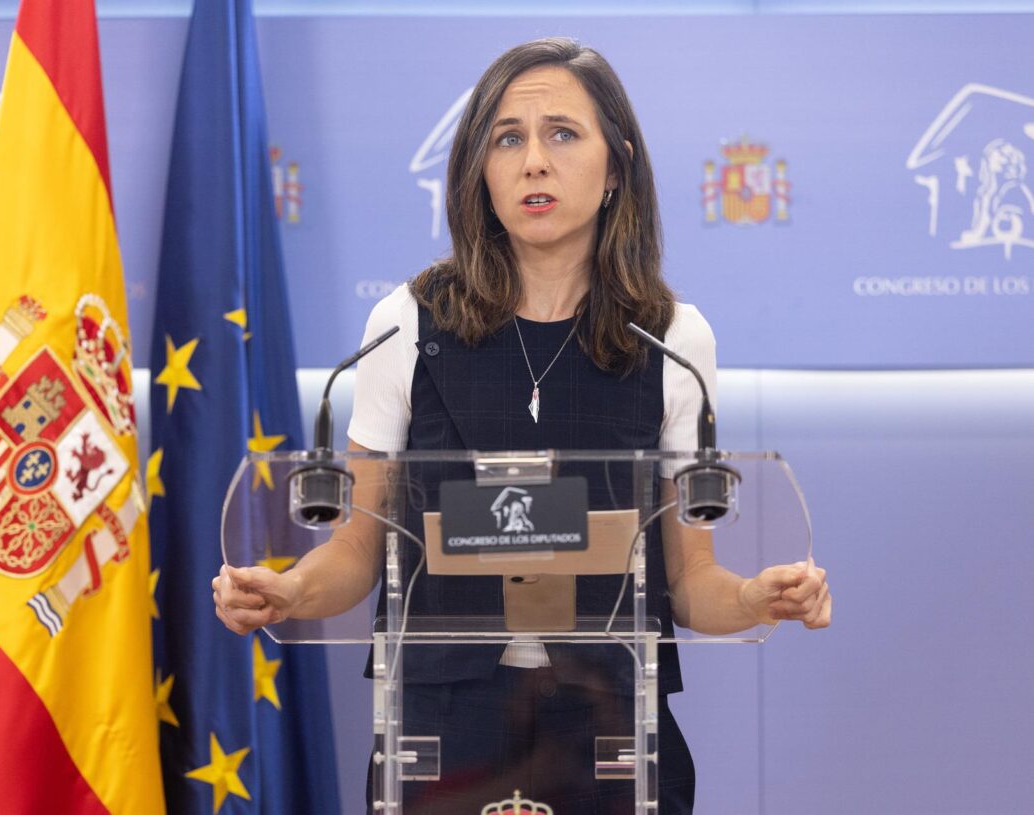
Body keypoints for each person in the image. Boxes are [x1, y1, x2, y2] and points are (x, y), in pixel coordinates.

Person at [213, 37, 831, 814]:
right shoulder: (406, 322)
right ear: (479, 168)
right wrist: (290, 589)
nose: (534, 161)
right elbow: (355, 552)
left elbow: (690, 580)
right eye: (507, 139)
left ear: (617, 166)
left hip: (609, 728)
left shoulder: (672, 336)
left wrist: (754, 598)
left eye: (562, 134)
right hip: (442, 733)